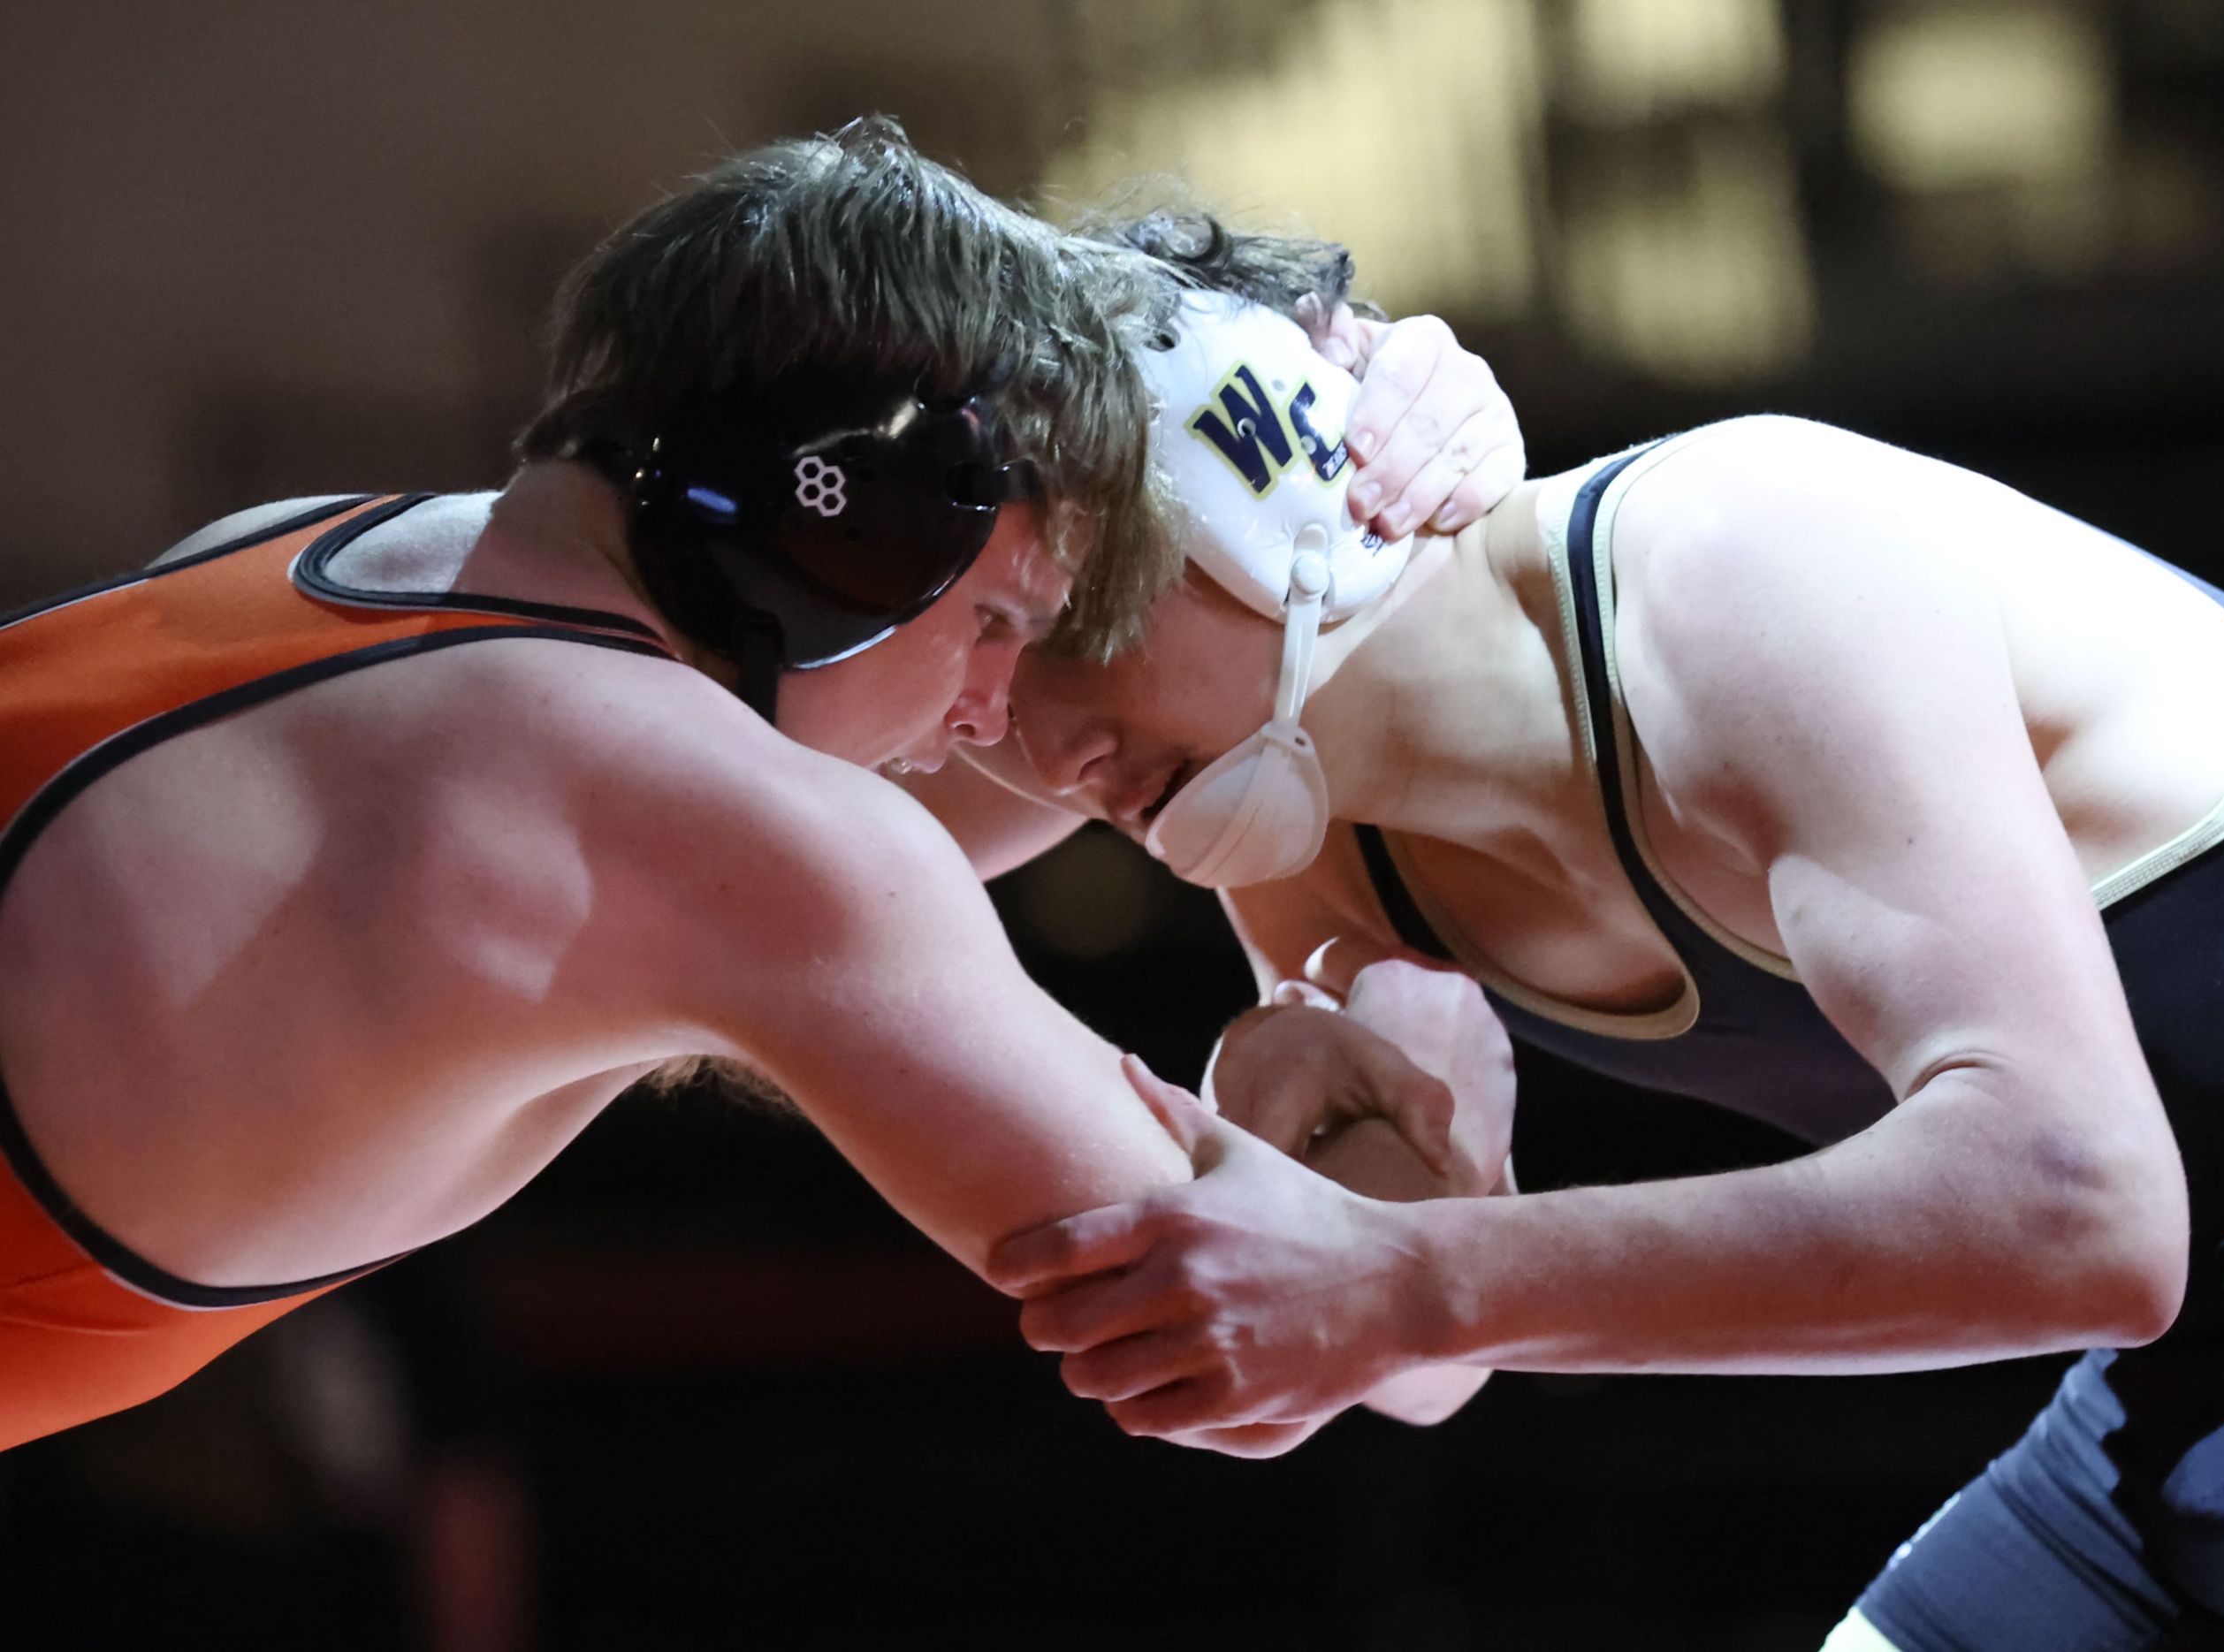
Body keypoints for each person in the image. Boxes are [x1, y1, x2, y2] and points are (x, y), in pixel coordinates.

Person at [0, 120, 1523, 1452]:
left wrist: (1286, 440)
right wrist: (1439, 1075)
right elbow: (1289, 1340)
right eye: (1000, 623)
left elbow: (909, 818)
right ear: (850, 520)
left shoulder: (315, 548)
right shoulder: (709, 822)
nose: (991, 714)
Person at [925, 218, 2224, 1648]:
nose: (1034, 746)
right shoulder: (1303, 832)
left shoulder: (1742, 560)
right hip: (2185, 1393)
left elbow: (2082, 1212)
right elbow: (1428, 1359)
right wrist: (1346, 1221)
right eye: (976, 661)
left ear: (1251, 477)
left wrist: (1405, 1279)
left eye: (1048, 622)